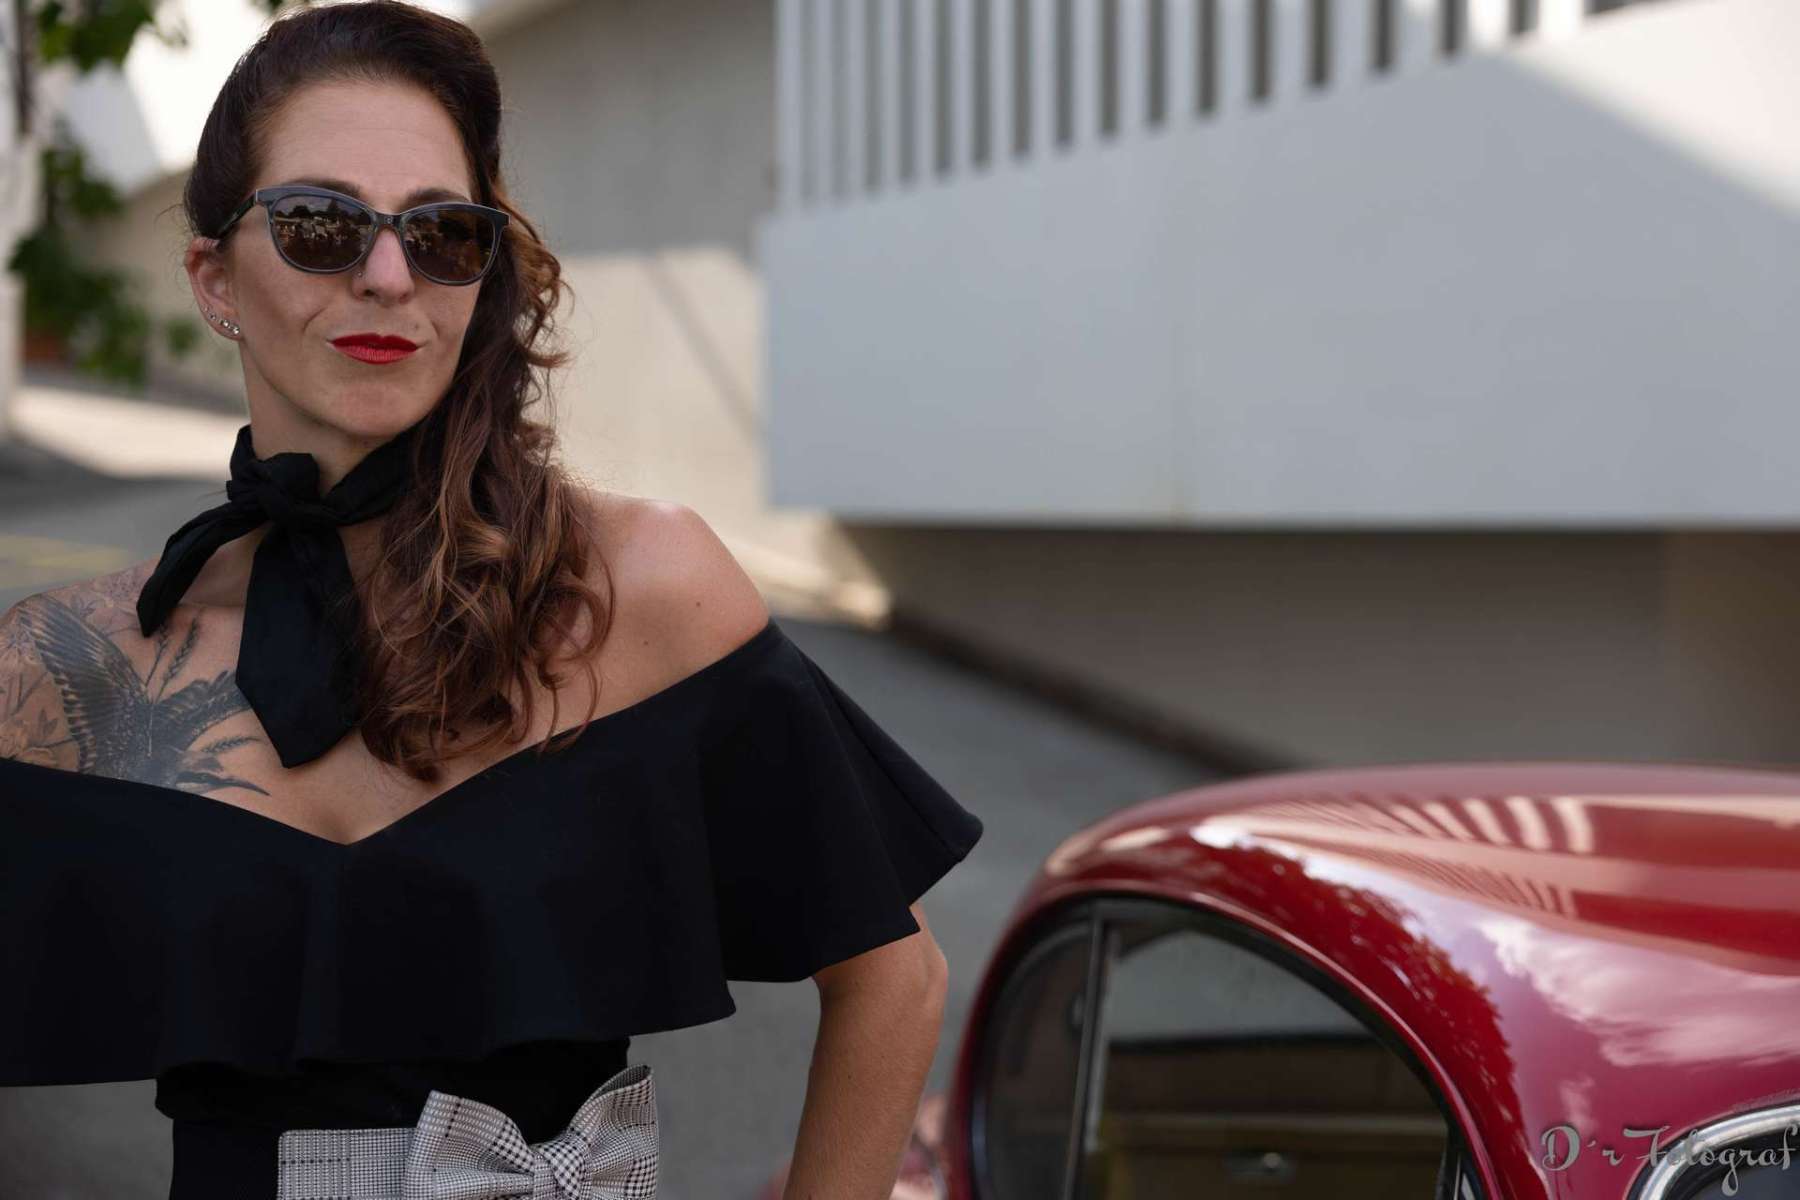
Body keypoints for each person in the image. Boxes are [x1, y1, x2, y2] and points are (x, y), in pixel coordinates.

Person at [0, 3, 983, 1197]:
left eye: (442, 234)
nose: (387, 276)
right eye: (320, 226)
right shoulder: (67, 669)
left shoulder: (644, 589)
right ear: (214, 277)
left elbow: (893, 981)